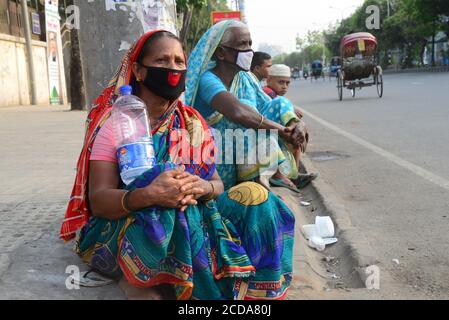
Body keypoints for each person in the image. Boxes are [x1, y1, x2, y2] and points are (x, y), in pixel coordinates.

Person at [60, 30, 295, 301]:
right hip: (130, 225)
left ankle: (254, 292)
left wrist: (203, 186)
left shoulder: (192, 122)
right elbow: (99, 200)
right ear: (139, 70)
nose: (172, 69)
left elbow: (217, 185)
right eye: (162, 61)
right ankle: (141, 279)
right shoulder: (116, 123)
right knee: (166, 181)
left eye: (178, 62)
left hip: (194, 214)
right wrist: (148, 194)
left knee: (258, 197)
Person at [185, 20, 308, 193]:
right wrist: (282, 131)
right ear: (221, 52)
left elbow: (272, 105)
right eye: (242, 44)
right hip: (216, 157)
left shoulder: (245, 77)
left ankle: (273, 176)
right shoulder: (208, 80)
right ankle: (258, 182)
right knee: (248, 121)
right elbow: (238, 112)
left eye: (250, 44)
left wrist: (297, 124)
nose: (249, 50)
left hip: (238, 152)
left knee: (279, 103)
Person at [264, 64, 318, 188]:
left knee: (296, 137)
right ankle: (291, 176)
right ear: (269, 80)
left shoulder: (276, 95)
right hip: (264, 133)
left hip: (274, 134)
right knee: (295, 135)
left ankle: (295, 175)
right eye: (281, 82)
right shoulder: (267, 92)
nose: (284, 86)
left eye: (287, 83)